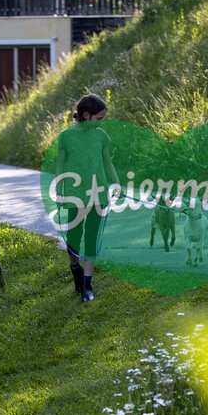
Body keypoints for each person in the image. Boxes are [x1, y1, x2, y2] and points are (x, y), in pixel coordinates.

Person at [53, 94, 120, 303]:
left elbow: (107, 163)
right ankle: (76, 270)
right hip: (75, 198)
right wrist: (59, 192)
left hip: (98, 196)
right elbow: (60, 166)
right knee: (73, 239)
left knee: (92, 237)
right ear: (86, 114)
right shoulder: (66, 137)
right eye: (99, 118)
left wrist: (116, 183)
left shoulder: (100, 135)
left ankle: (87, 284)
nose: (101, 122)